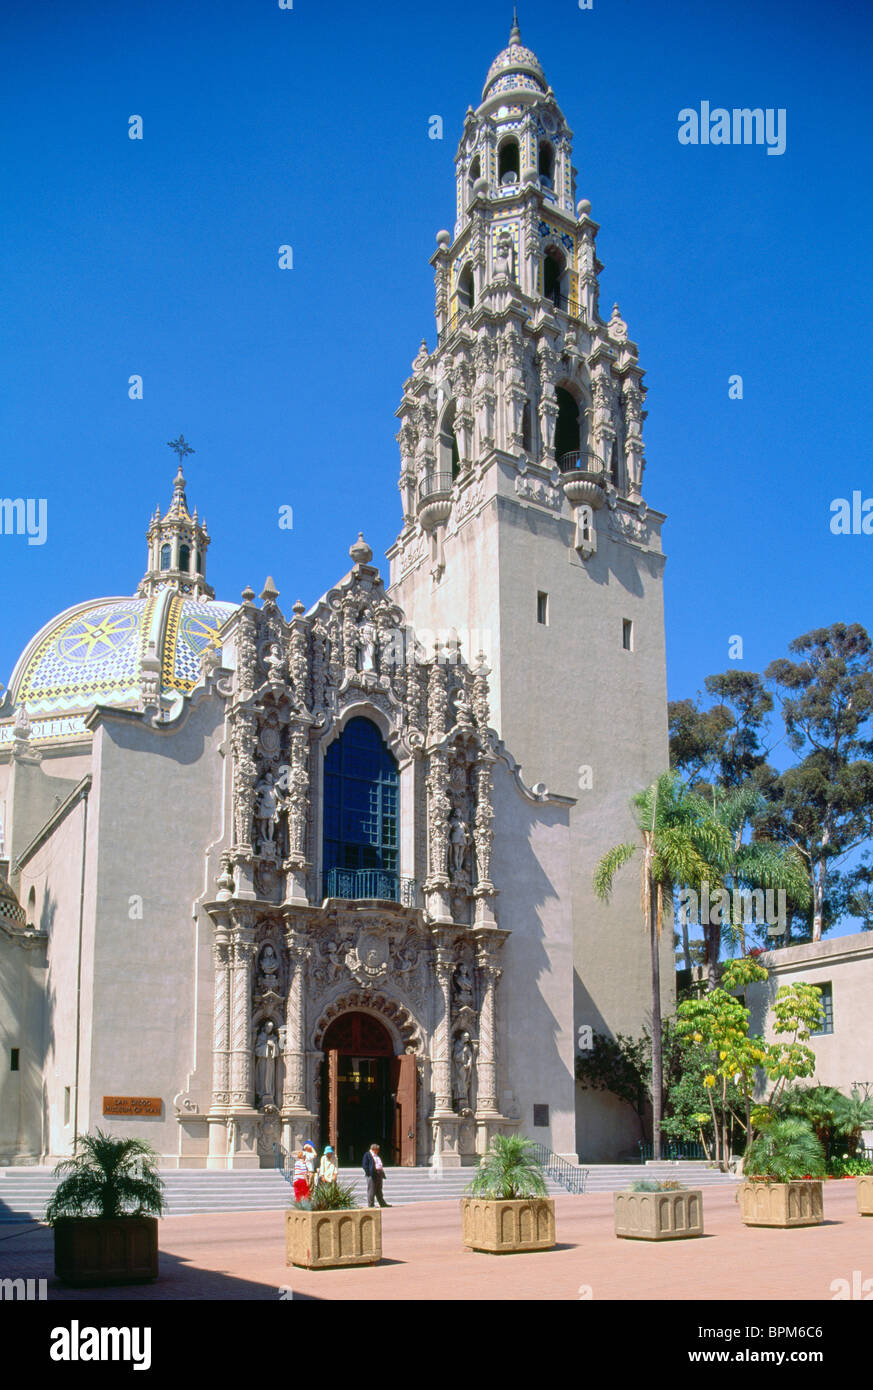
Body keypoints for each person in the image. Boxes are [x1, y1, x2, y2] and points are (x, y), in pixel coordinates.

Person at [362, 1143, 391, 1208]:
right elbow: (365, 1165)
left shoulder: (376, 1155)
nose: (378, 1151)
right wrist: (369, 1173)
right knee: (371, 1190)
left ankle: (382, 1204)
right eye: (377, 1150)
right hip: (372, 1174)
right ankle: (371, 1205)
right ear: (373, 1149)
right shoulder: (367, 1155)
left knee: (379, 1190)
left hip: (379, 1173)